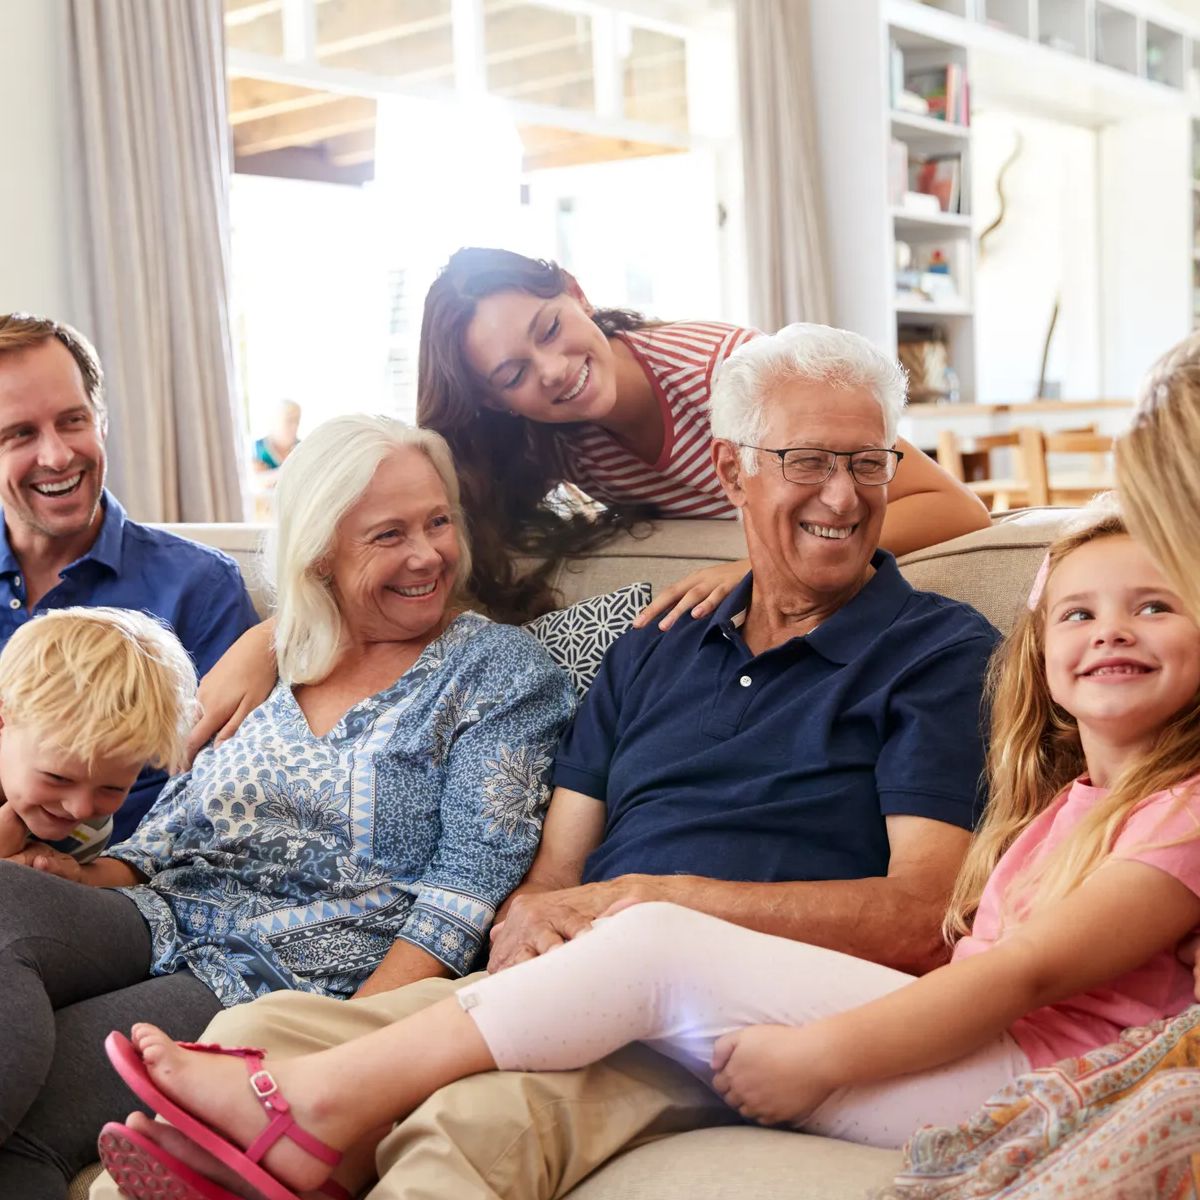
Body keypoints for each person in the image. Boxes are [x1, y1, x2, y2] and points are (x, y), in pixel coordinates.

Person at [86, 322, 1000, 1200]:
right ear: (733, 469)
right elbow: (554, 870)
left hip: (722, 1012)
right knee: (250, 1033)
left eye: (866, 462)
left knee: (470, 1123)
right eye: (807, 461)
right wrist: (532, 928)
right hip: (578, 973)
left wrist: (646, 902)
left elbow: (923, 916)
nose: (842, 497)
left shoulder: (937, 652)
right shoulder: (660, 644)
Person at [97, 501, 1200, 1200]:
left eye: (1155, 605)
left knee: (652, 949)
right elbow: (548, 853)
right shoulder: (1055, 805)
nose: (1111, 629)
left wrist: (822, 1052)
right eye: (1079, 614)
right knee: (252, 1026)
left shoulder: (1142, 788)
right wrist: (271, 635)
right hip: (914, 1033)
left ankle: (315, 1115)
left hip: (1022, 1077)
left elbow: (1003, 967)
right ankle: (291, 1118)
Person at [0, 415, 573, 1200]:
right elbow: (174, 822)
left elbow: (467, 885)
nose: (427, 554)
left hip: (284, 969)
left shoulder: (497, 671)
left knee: (43, 1114)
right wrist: (80, 877)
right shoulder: (283, 650)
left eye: (438, 522)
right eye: (388, 534)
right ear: (321, 553)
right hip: (161, 908)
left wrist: (351, 1045)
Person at [0, 314, 259, 840]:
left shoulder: (201, 588)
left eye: (73, 420)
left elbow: (223, 797)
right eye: (19, 433)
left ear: (102, 423)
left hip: (130, 893)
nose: (56, 455)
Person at [0, 608, 195, 864]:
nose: (81, 808)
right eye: (57, 778)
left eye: (113, 789)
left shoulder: (87, 831)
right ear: (3, 719)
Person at [252, 399, 301, 475]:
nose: (294, 426)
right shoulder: (257, 448)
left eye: (297, 420)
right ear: (275, 421)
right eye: (289, 420)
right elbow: (257, 480)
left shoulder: (301, 447)